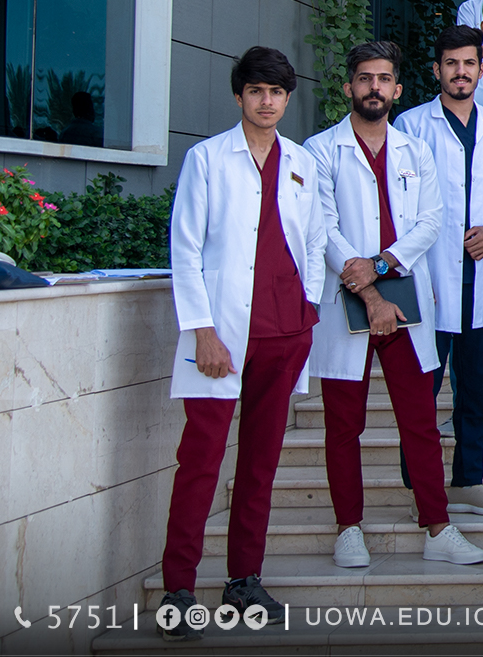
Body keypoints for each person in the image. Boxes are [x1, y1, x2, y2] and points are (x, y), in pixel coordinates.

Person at [156, 47, 322, 640]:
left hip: (285, 332)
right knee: (200, 461)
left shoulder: (302, 163)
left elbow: (313, 242)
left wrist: (308, 310)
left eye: (276, 92)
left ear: (287, 98)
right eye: (256, 91)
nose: (266, 101)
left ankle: (243, 579)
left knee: (260, 462)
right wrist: (201, 330)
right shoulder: (206, 159)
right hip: (221, 335)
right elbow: (185, 249)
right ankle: (178, 590)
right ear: (239, 96)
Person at [307, 41, 483, 571]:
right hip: (348, 298)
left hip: (403, 294)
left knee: (420, 421)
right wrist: (366, 288)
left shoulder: (416, 150)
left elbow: (431, 222)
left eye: (384, 79)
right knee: (344, 424)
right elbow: (323, 228)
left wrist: (380, 266)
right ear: (349, 86)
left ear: (398, 89)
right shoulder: (321, 150)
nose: (374, 88)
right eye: (365, 78)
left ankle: (437, 526)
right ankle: (348, 528)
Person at [390, 25, 483, 517]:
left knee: (475, 393)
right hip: (428, 278)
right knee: (422, 393)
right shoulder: (411, 125)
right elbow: (400, 202)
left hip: (481, 277)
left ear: (481, 69)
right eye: (451, 63)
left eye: (469, 63)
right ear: (436, 70)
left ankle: (468, 480)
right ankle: (421, 491)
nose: (461, 72)